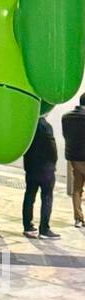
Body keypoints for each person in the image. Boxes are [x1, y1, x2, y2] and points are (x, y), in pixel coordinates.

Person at [23, 114, 60, 239]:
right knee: (47, 198)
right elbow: (52, 148)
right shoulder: (46, 126)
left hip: (31, 168)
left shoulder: (28, 125)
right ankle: (44, 229)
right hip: (45, 169)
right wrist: (53, 164)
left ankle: (27, 226)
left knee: (29, 196)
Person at [61, 93, 85, 228]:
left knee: (77, 189)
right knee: (78, 189)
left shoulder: (66, 117)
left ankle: (78, 218)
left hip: (74, 159)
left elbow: (66, 136)